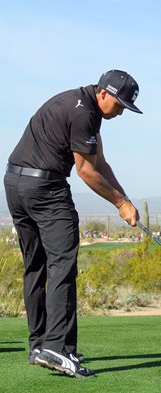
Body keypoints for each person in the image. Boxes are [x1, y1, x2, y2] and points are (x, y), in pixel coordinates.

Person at [4, 69, 142, 378]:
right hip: (46, 189)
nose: (120, 112)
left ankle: (40, 345)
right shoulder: (85, 114)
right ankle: (57, 348)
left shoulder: (78, 102)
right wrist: (120, 203)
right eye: (119, 105)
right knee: (63, 265)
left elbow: (100, 162)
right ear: (104, 93)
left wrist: (126, 199)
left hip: (15, 183)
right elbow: (86, 171)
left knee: (36, 265)